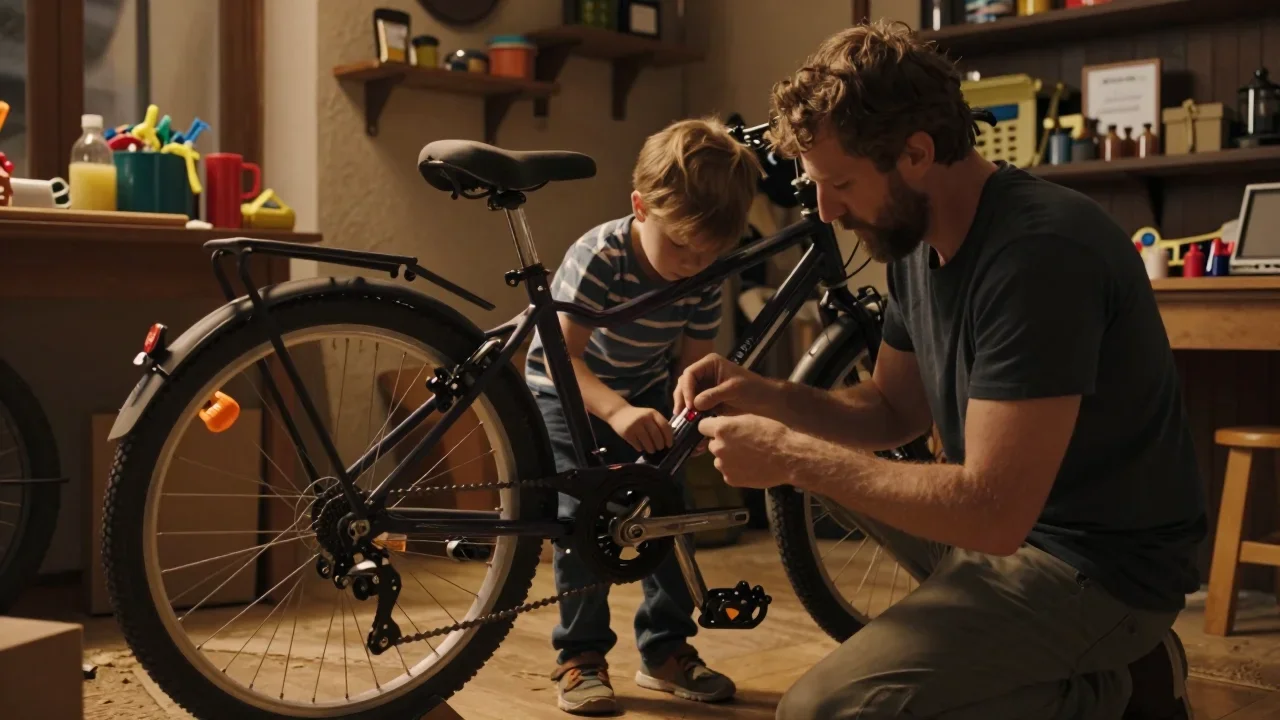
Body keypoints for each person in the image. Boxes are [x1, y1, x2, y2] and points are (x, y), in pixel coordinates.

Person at [674, 21, 1207, 720]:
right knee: (827, 469)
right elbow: (892, 411)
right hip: (1010, 538)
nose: (828, 211)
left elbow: (993, 513)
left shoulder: (1039, 254)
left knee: (820, 712)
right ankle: (1108, 676)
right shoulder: (916, 244)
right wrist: (768, 398)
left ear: (918, 153)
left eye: (839, 184)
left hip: (1100, 573)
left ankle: (1120, 672)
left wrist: (792, 457)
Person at [525, 117, 761, 715]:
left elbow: (691, 365)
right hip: (569, 389)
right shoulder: (601, 257)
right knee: (583, 517)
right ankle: (579, 657)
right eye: (680, 244)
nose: (692, 262)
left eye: (708, 252)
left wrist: (694, 418)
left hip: (642, 390)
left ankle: (666, 651)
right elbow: (562, 361)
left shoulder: (703, 269)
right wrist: (620, 412)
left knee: (667, 509)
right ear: (640, 208)